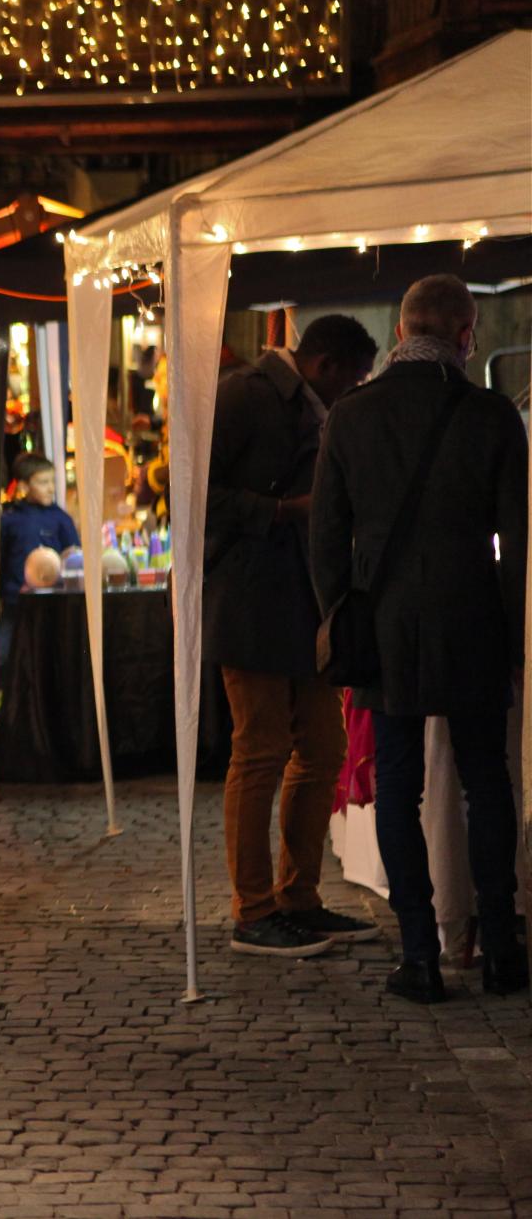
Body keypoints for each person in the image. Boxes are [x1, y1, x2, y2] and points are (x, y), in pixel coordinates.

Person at [311, 274, 530, 1004]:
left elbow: (325, 541)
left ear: (401, 334)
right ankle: (499, 948)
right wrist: (516, 637)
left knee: (399, 788)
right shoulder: (494, 416)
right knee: (487, 784)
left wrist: (341, 611)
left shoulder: (350, 416)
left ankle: (419, 954)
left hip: (384, 626)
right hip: (474, 618)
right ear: (467, 336)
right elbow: (519, 543)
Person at [204, 315, 380, 959]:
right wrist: (280, 511)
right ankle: (253, 911)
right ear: (326, 364)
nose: (351, 391)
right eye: (353, 378)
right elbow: (196, 491)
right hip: (250, 597)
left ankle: (298, 898)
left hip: (304, 600)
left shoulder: (306, 403)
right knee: (259, 751)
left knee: (324, 748)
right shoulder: (244, 393)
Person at [0, 453, 80, 671]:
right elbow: (0, 559)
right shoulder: (9, 519)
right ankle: (4, 700)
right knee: (2, 655)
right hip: (16, 601)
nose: (51, 488)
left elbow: (73, 555)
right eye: (43, 482)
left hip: (52, 601)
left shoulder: (61, 519)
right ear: (23, 486)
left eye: (52, 481)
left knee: (46, 655)